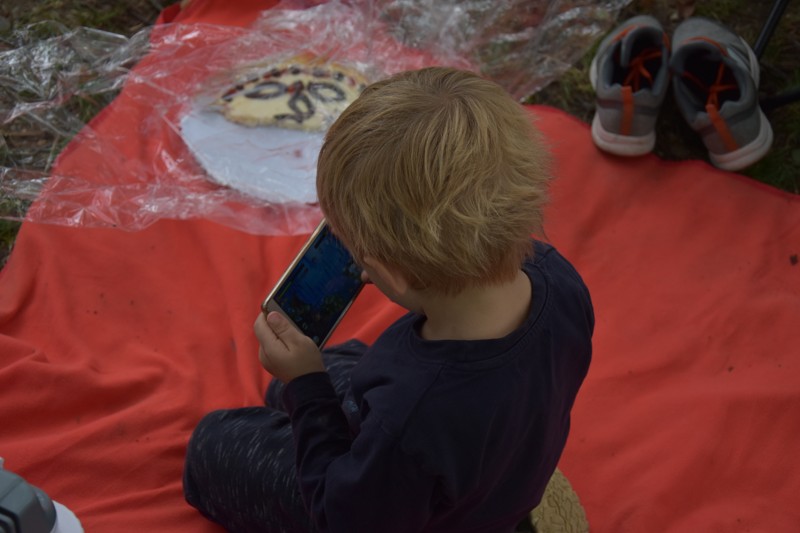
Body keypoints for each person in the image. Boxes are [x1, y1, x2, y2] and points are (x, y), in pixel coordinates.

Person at [183, 66, 594, 532]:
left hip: (388, 506)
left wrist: (306, 389)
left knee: (213, 442)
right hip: (486, 468)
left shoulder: (415, 412)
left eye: (359, 257)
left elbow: (343, 518)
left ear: (390, 272)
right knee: (315, 372)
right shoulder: (560, 281)